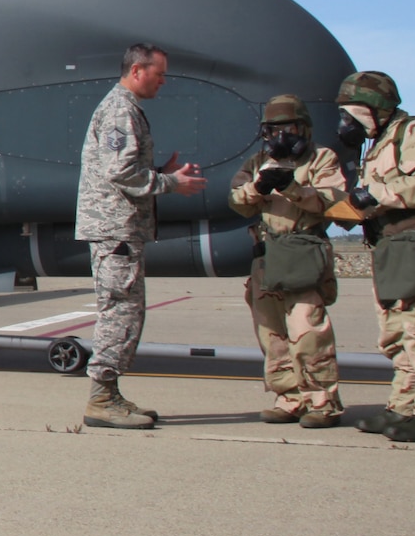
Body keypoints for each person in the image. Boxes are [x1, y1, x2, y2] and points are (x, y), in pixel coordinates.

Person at [75, 43, 207, 428]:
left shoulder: (126, 108)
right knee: (120, 312)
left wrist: (159, 171)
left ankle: (110, 393)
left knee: (127, 312)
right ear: (137, 71)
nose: (163, 81)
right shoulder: (120, 110)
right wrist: (170, 182)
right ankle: (101, 398)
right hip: (114, 230)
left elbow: (124, 168)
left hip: (120, 229)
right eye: (159, 73)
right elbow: (120, 172)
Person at [335, 71, 415, 442]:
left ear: (375, 109)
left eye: (352, 114)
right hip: (393, 248)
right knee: (397, 333)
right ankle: (406, 405)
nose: (346, 124)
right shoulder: (379, 143)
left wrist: (374, 194)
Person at [228, 96, 348, 426]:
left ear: (304, 129)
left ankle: (322, 400)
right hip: (268, 255)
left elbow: (332, 201)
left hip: (304, 251)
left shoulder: (322, 158)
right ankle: (289, 396)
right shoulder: (257, 162)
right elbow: (237, 200)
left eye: (289, 129)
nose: (282, 137)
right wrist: (258, 187)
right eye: (274, 130)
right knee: (272, 334)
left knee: (307, 329)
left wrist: (293, 188)